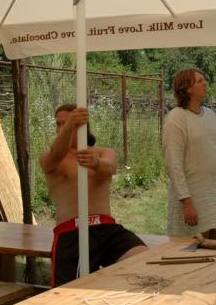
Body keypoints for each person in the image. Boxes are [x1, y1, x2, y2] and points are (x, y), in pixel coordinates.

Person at [39, 104, 147, 287]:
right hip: (72, 232)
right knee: (66, 293)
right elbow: (55, 154)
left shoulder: (103, 153)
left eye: (67, 123)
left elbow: (109, 167)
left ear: (83, 126)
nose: (62, 128)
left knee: (143, 260)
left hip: (106, 228)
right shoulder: (50, 157)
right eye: (59, 124)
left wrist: (96, 163)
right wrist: (70, 125)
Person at [162, 68, 216, 240]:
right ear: (187, 88)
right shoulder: (176, 118)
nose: (205, 84)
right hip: (193, 200)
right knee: (191, 251)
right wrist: (187, 202)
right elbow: (173, 164)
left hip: (215, 199)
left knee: (215, 252)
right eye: (200, 81)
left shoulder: (210, 115)